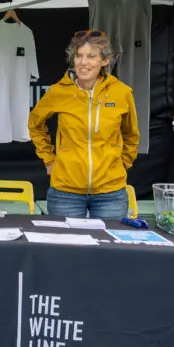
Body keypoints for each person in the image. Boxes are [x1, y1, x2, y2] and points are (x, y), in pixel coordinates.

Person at [28, 30, 140, 218]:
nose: (83, 62)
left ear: (104, 61)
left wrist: (122, 164)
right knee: (66, 246)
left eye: (91, 56)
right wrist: (49, 159)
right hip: (65, 192)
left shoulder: (122, 93)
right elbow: (35, 123)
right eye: (78, 56)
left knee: (109, 245)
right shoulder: (58, 92)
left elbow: (131, 135)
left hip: (110, 193)